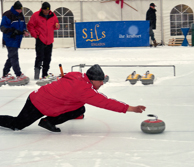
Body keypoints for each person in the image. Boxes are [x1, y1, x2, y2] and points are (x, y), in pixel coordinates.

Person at [0, 64, 146, 132]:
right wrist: (131, 108)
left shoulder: (78, 76)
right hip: (38, 103)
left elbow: (66, 80)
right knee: (17, 125)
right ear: (92, 79)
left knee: (79, 108)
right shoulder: (84, 90)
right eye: (100, 81)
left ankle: (47, 121)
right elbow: (105, 103)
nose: (102, 83)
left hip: (50, 100)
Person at [27, 2, 60, 80]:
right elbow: (30, 26)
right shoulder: (35, 15)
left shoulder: (53, 15)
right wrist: (36, 35)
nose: (46, 12)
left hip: (49, 41)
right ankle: (36, 75)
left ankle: (45, 74)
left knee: (47, 58)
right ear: (42, 9)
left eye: (48, 10)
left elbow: (55, 26)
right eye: (45, 10)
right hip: (40, 40)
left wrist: (57, 26)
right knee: (39, 57)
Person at [0, 1, 30, 86]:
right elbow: (2, 27)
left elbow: (23, 25)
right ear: (15, 8)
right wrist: (13, 31)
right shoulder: (8, 15)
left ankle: (5, 74)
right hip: (9, 39)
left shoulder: (20, 15)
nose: (20, 11)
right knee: (14, 57)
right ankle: (18, 74)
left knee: (11, 57)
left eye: (21, 9)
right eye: (19, 9)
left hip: (17, 39)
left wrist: (24, 31)